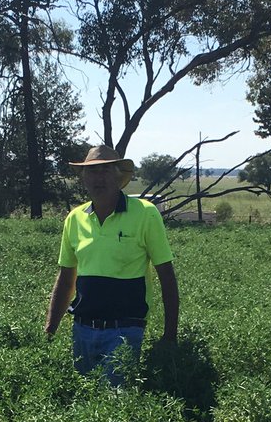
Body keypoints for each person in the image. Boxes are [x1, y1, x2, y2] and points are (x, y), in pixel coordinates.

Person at [44, 144, 179, 385]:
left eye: (105, 170)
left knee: (114, 405)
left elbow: (166, 276)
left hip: (125, 330)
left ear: (118, 176)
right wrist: (49, 331)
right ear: (83, 178)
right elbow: (66, 279)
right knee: (83, 402)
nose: (99, 178)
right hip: (82, 330)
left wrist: (170, 336)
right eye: (92, 171)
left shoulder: (145, 214)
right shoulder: (74, 219)